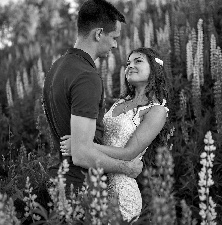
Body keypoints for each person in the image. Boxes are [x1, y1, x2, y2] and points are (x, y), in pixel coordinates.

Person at [42, 0, 143, 195]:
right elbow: (82, 155)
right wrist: (127, 168)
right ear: (98, 34)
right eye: (114, 37)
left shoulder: (56, 67)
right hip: (82, 189)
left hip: (61, 182)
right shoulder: (86, 76)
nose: (115, 45)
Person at [60, 47, 170, 222]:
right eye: (128, 63)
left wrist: (82, 146)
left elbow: (129, 153)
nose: (130, 66)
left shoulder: (157, 110)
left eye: (138, 61)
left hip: (122, 189)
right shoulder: (120, 102)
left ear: (155, 69)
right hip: (97, 183)